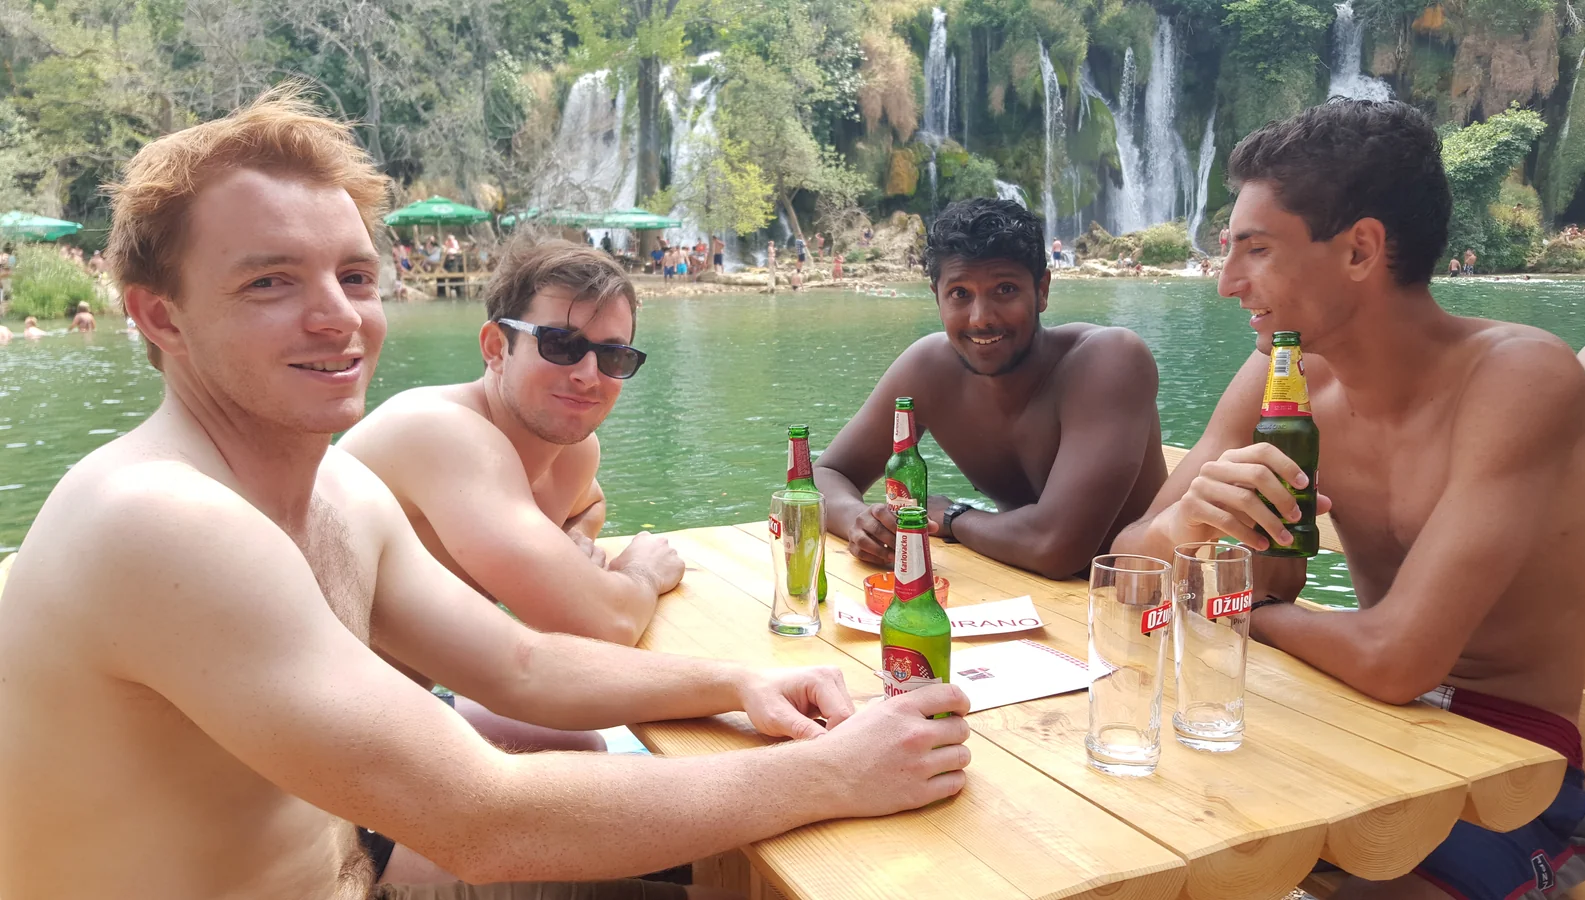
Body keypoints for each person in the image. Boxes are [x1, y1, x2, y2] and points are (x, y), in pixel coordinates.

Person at [0, 85, 972, 900]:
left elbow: (522, 663)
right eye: (269, 283)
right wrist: (828, 772)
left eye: (355, 276)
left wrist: (738, 683)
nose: (338, 318)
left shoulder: (336, 490)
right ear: (160, 318)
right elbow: (481, 820)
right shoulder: (160, 520)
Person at [1112, 99, 1585, 900]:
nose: (1228, 283)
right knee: (1119, 824)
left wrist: (1237, 608)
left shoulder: (1519, 379)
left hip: (1505, 770)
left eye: (1256, 250)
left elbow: (1396, 660)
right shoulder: (1281, 376)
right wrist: (1184, 519)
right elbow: (1130, 577)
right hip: (1344, 719)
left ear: (1360, 250)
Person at [340, 236, 683, 650]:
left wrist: (574, 536)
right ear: (496, 348)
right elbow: (607, 624)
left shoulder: (574, 453)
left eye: (614, 355)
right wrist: (643, 571)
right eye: (562, 345)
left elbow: (591, 503)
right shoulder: (438, 432)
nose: (588, 375)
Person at [814, 197, 1167, 580]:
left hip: (1134, 600)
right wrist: (860, 522)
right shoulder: (929, 370)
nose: (981, 318)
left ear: (1042, 290)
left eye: (1005, 289)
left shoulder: (1109, 361)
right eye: (960, 294)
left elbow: (1055, 547)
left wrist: (953, 516)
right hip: (1022, 592)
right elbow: (824, 474)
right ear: (937, 297)